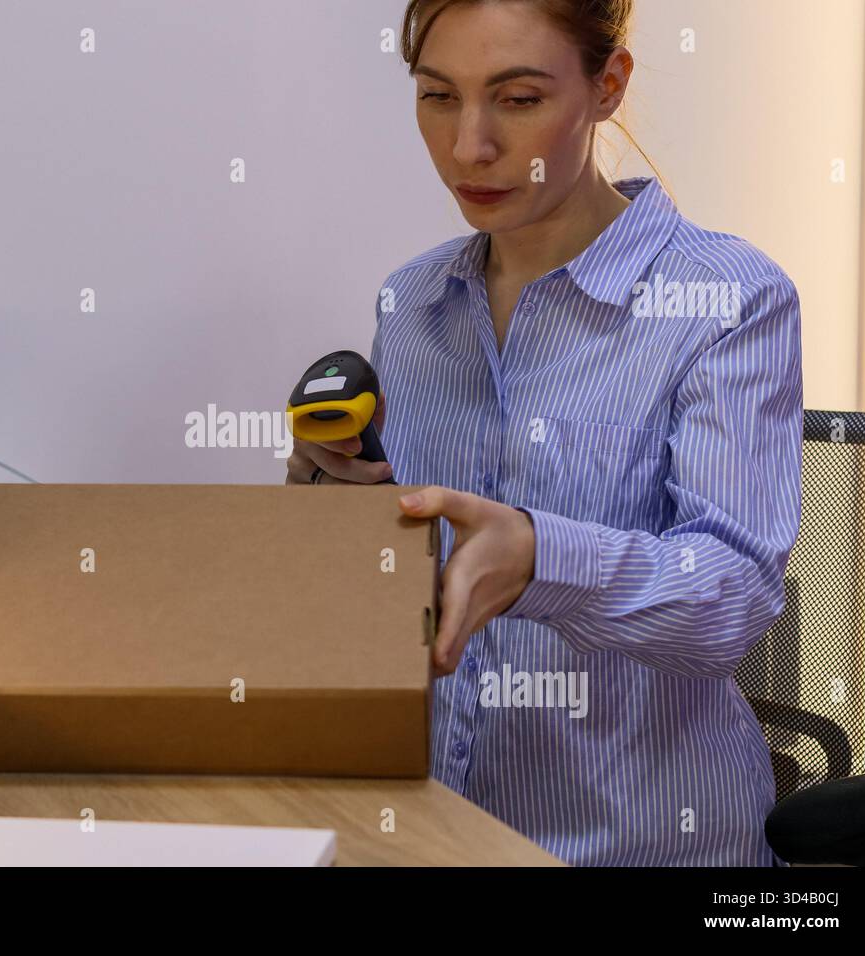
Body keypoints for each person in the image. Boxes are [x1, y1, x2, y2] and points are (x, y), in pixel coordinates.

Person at [286, 0, 803, 866]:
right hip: (432, 834)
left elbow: (732, 601)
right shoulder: (412, 305)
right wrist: (329, 503)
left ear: (609, 86)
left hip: (641, 847)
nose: (468, 147)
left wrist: (541, 557)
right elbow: (388, 582)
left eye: (518, 99)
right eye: (437, 96)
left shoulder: (728, 299)